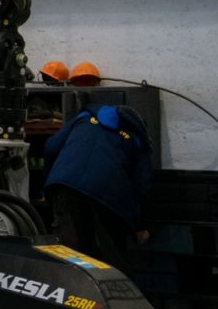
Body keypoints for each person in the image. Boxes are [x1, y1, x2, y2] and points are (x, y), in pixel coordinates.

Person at [43, 104, 154, 263]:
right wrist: (141, 226)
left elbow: (50, 147)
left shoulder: (83, 118)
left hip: (64, 186)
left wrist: (50, 184)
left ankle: (72, 287)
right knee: (109, 258)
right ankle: (109, 288)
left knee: (69, 254)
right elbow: (143, 185)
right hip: (108, 196)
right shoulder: (137, 138)